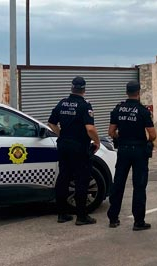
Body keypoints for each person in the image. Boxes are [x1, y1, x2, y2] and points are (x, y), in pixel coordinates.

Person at [48, 76, 101, 226]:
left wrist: (62, 135)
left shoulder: (62, 103)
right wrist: (96, 142)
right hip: (79, 147)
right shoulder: (85, 105)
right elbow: (90, 128)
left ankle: (62, 214)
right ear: (84, 89)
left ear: (72, 88)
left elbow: (51, 122)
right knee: (81, 180)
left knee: (64, 177)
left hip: (64, 145)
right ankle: (82, 217)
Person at [107, 80, 157, 231]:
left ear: (126, 92)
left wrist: (119, 138)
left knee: (119, 183)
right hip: (139, 151)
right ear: (138, 92)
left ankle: (113, 218)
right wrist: (147, 142)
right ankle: (138, 222)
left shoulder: (119, 109)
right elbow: (153, 134)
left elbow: (111, 132)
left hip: (123, 150)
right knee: (139, 185)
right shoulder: (143, 111)